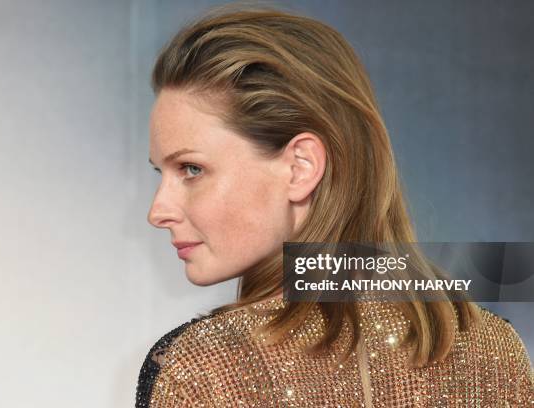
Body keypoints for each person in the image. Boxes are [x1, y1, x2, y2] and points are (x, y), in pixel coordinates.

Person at [136, 5, 534, 407]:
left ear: (300, 168)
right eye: (161, 173)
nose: (158, 211)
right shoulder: (496, 353)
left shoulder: (201, 369)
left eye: (191, 168)